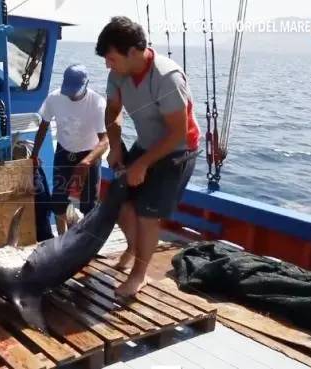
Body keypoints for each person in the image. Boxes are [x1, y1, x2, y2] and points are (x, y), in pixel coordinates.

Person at [96, 16, 200, 296]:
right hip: (146, 143)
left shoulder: (167, 77)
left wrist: (142, 164)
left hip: (177, 150)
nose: (108, 64)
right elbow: (112, 111)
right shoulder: (118, 74)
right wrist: (115, 145)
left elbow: (178, 133)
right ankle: (133, 248)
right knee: (118, 203)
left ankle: (139, 275)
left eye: (111, 58)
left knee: (147, 215)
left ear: (132, 52)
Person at [31, 64, 109, 234]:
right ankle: (63, 237)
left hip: (90, 153)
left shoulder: (97, 103)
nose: (71, 95)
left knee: (89, 204)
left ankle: (85, 239)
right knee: (58, 201)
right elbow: (43, 125)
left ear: (86, 84)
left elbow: (105, 141)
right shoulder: (54, 98)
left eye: (75, 90)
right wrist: (34, 154)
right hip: (64, 151)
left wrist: (87, 162)